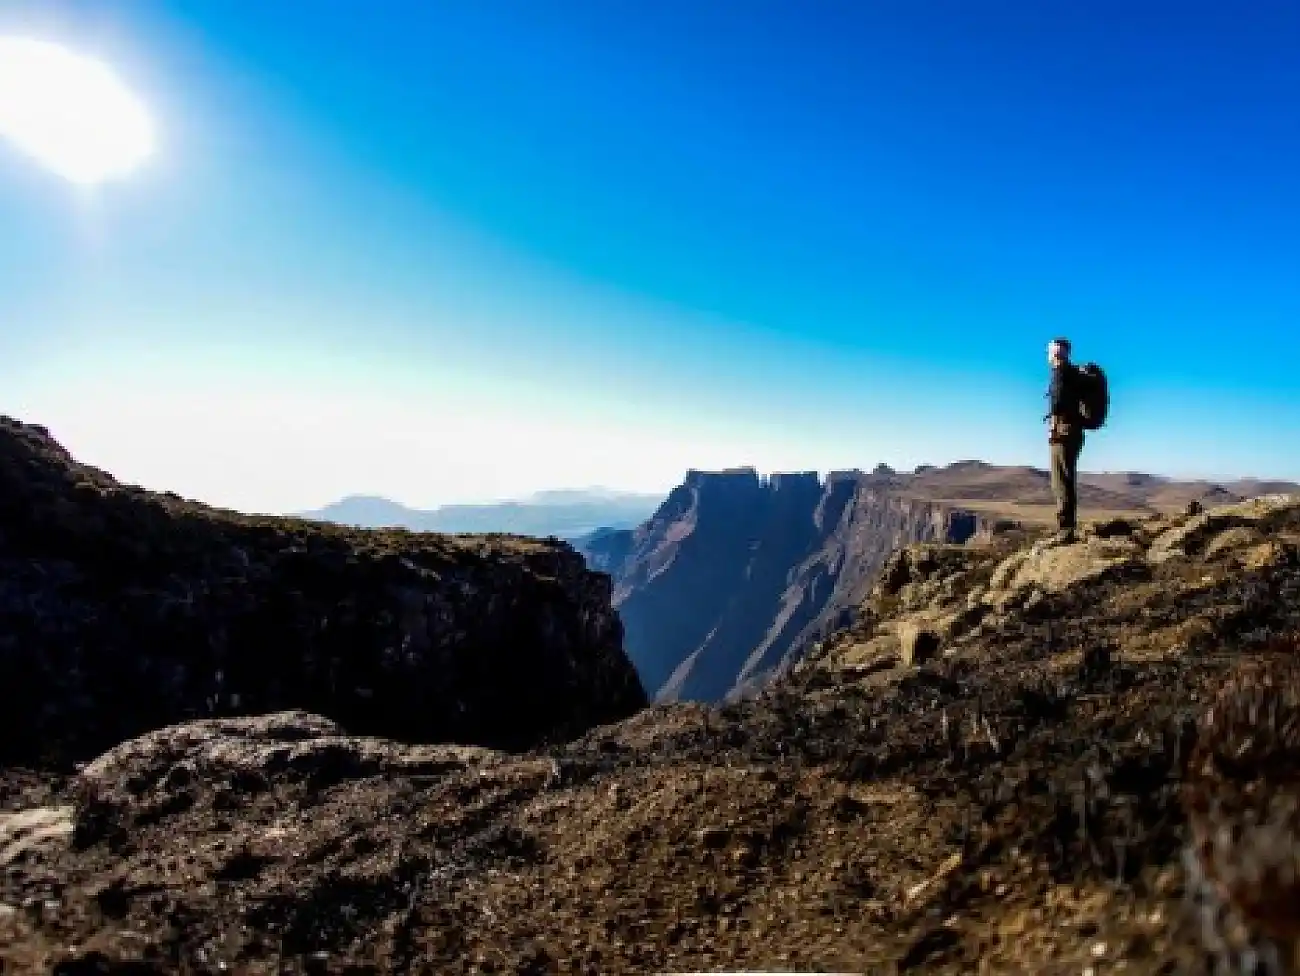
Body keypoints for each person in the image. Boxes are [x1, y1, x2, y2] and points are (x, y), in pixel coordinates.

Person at [1045, 337, 1085, 541]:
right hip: (1074, 431)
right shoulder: (1074, 373)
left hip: (1063, 430)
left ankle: (1065, 530)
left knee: (1060, 479)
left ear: (1056, 353)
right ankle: (1068, 527)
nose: (1048, 355)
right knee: (1067, 478)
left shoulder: (1060, 371)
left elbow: (1057, 400)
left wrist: (1053, 426)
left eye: (1050, 351)